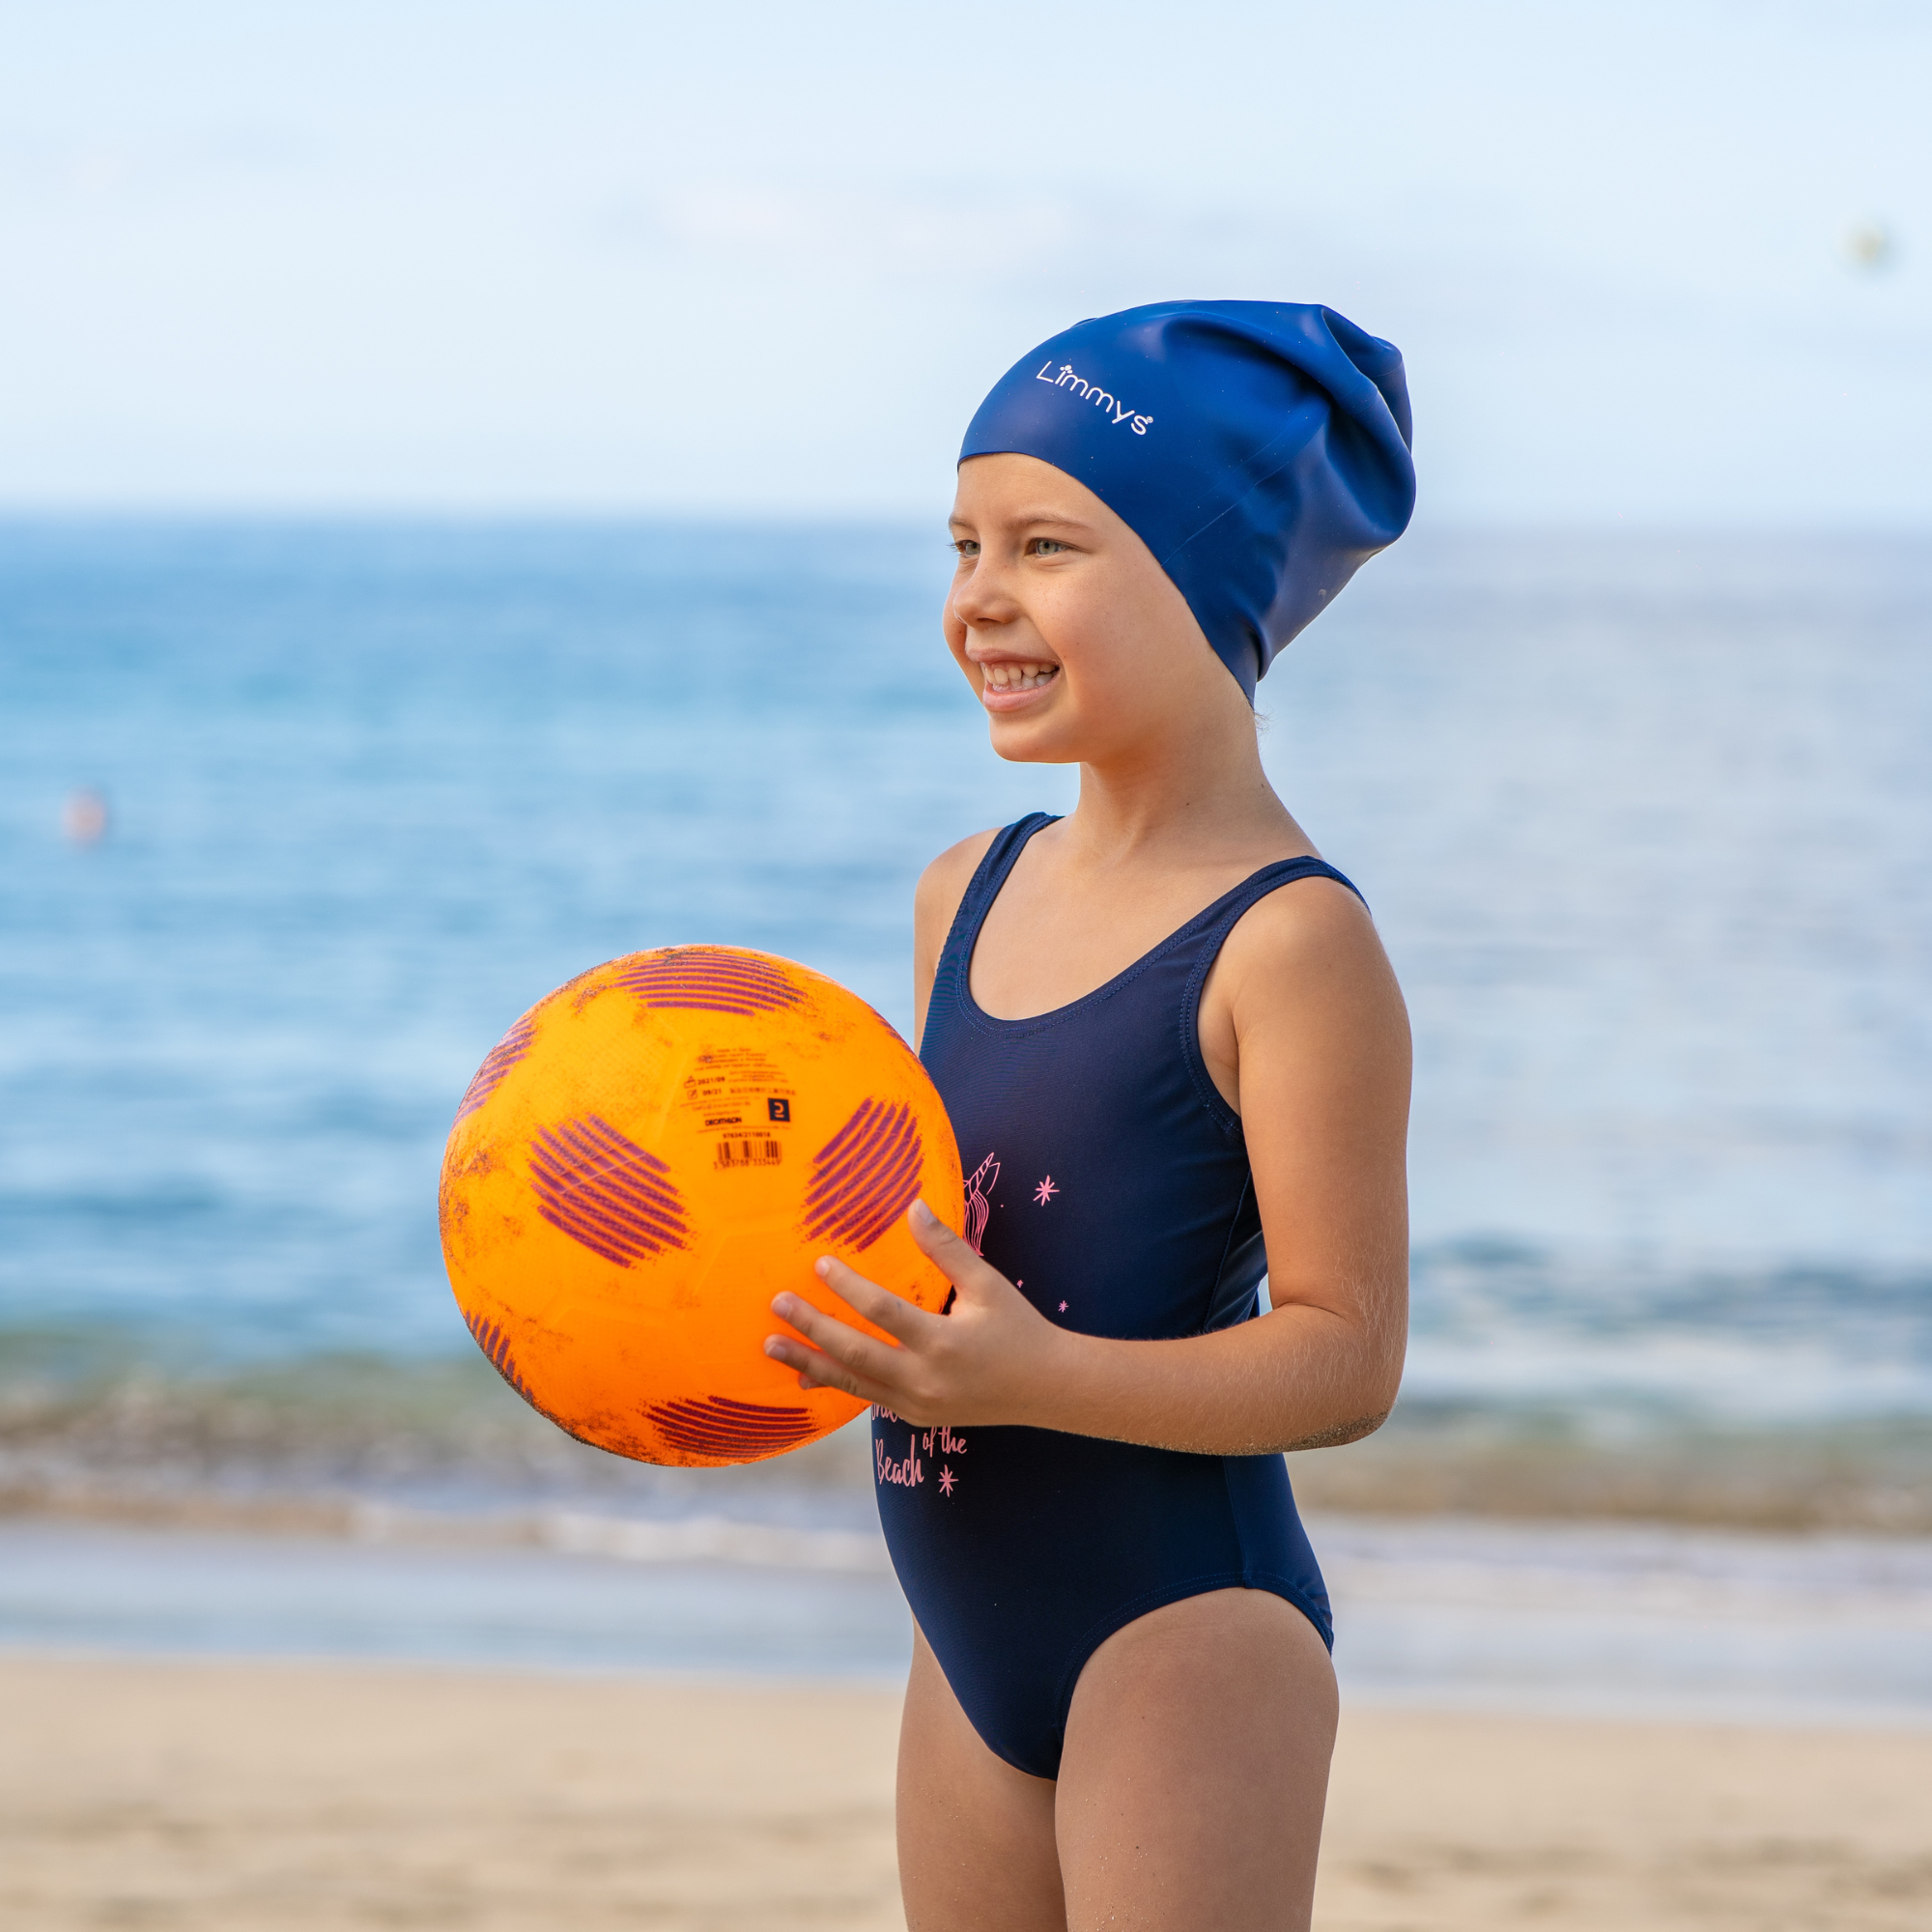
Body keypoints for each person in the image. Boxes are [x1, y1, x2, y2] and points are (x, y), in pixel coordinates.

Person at [765, 300, 1416, 1931]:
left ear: (1213, 589)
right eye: (964, 542)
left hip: (1187, 1635)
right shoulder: (959, 896)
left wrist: (1026, 1374)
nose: (979, 597)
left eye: (1048, 545)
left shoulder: (1289, 940)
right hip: (963, 1639)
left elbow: (1347, 1358)